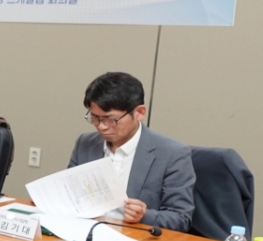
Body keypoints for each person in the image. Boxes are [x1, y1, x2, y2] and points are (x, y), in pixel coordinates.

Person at [68, 72, 195, 231]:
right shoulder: (85, 143)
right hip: (85, 232)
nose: (101, 126)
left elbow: (180, 219)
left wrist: (144, 215)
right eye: (95, 118)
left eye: (110, 119)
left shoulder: (172, 154)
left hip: (134, 238)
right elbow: (69, 195)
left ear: (139, 113)